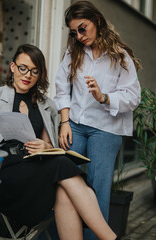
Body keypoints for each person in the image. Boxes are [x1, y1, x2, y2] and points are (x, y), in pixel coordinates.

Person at [0, 44, 117, 240]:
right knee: (62, 165)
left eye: (34, 71)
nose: (27, 75)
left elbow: (50, 148)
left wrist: (45, 146)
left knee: (64, 191)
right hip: (4, 172)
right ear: (12, 66)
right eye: (23, 68)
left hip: (35, 169)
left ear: (39, 75)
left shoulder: (46, 105)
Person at [54, 1, 142, 239]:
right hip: (75, 125)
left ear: (97, 21)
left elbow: (133, 97)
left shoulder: (120, 56)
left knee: (97, 188)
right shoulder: (73, 53)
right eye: (74, 32)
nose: (79, 36)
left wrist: (104, 97)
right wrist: (64, 122)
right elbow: (62, 89)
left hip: (106, 128)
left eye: (83, 28)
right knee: (61, 174)